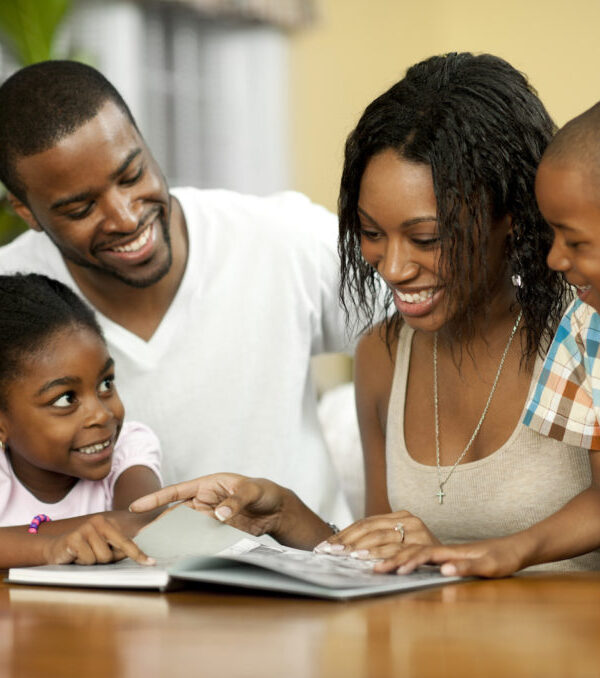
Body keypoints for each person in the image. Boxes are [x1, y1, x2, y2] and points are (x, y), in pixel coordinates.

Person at [131, 52, 600, 575]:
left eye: (427, 238)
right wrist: (284, 513)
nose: (394, 267)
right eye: (372, 233)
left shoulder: (585, 331)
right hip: (439, 654)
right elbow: (379, 559)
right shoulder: (383, 355)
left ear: (511, 216)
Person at [0, 60, 353, 528]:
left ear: (145, 143)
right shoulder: (10, 296)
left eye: (131, 175)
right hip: (105, 593)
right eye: (82, 208)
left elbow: (434, 330)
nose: (125, 218)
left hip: (309, 576)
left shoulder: (281, 238)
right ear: (27, 211)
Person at [0, 273, 162, 568]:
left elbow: (144, 523)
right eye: (65, 399)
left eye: (106, 384)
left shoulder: (128, 447)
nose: (101, 414)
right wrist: (50, 549)